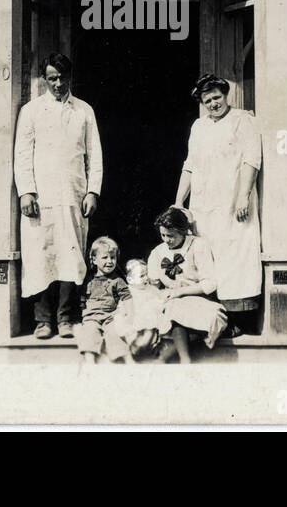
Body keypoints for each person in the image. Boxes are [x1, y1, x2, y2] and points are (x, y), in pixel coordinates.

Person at [14, 52, 103, 340]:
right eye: (52, 78)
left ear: (70, 77)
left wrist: (92, 191)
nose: (58, 84)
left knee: (70, 254)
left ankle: (66, 318)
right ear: (44, 79)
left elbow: (95, 155)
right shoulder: (31, 111)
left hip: (73, 194)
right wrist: (26, 191)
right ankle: (43, 320)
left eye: (62, 78)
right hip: (40, 198)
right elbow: (22, 155)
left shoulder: (84, 111)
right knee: (40, 255)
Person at [174, 73, 262, 334]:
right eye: (207, 100)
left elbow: (251, 159)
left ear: (226, 95)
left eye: (217, 97)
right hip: (204, 206)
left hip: (234, 205)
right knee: (208, 259)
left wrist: (243, 195)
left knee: (235, 260)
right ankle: (210, 320)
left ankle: (239, 323)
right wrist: (179, 201)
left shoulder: (243, 121)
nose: (213, 103)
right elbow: (190, 165)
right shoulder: (198, 127)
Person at [148, 207, 229, 361]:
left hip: (198, 298)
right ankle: (185, 360)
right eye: (163, 235)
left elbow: (210, 283)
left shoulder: (198, 246)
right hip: (170, 300)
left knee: (212, 318)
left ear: (183, 231)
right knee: (173, 309)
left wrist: (181, 292)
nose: (166, 240)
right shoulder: (157, 252)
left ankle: (170, 355)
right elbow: (153, 285)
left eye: (171, 236)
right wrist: (159, 293)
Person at [75, 236, 130, 364]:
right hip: (91, 317)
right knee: (89, 332)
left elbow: (127, 298)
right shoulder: (88, 279)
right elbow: (82, 299)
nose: (110, 261)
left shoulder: (118, 281)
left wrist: (127, 314)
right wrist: (82, 313)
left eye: (113, 257)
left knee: (114, 333)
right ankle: (90, 360)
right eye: (105, 258)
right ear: (94, 259)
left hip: (111, 316)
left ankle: (126, 359)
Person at [110, 258, 173, 361]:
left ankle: (151, 344)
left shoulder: (151, 289)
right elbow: (123, 305)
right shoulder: (127, 292)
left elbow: (159, 299)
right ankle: (134, 346)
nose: (146, 278)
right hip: (134, 319)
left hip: (150, 320)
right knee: (126, 329)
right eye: (141, 276)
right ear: (130, 280)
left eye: (146, 274)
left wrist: (162, 300)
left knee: (151, 331)